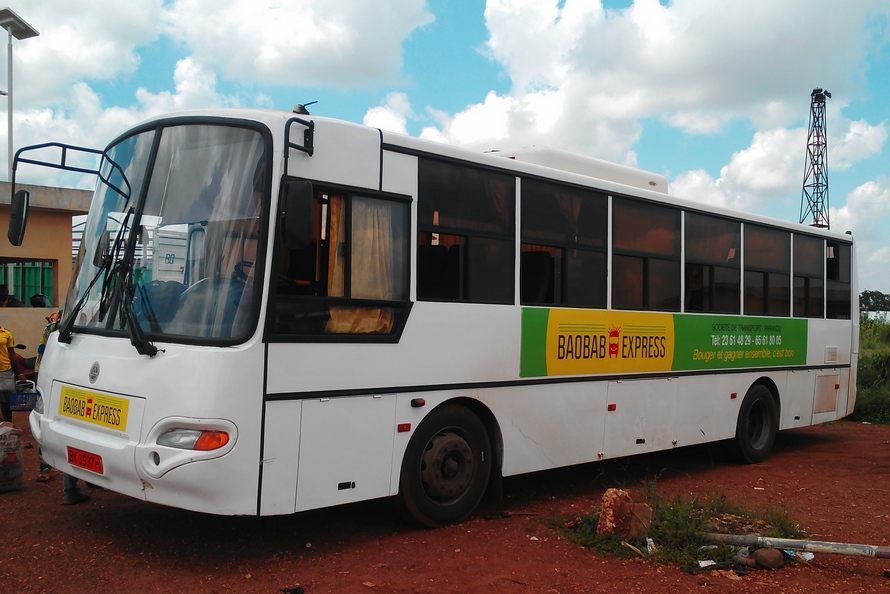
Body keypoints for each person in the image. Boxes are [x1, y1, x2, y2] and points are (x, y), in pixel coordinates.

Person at [0, 322, 26, 422]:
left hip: (5, 370)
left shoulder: (6, 333)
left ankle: (7, 424)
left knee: (6, 401)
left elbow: (12, 354)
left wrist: (19, 373)